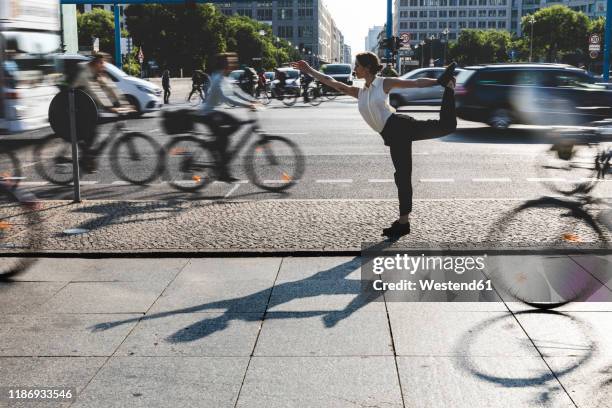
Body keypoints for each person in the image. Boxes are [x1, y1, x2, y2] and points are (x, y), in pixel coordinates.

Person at [292, 52, 457, 238]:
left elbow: (415, 83)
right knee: (402, 176)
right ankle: (403, 223)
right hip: (393, 135)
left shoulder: (383, 83)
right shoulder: (359, 91)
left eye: (357, 66)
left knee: (442, 132)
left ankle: (449, 87)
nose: (354, 69)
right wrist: (309, 70)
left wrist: (438, 82)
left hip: (400, 127)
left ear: (367, 68)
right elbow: (331, 81)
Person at [198, 53, 259, 182]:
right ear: (223, 64)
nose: (231, 64)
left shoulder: (224, 77)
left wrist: (253, 100)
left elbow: (237, 91)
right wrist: (247, 104)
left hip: (215, 111)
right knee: (224, 139)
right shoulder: (217, 78)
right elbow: (226, 98)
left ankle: (218, 153)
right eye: (228, 62)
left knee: (233, 127)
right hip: (208, 113)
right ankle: (221, 168)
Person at [71, 53, 130, 172]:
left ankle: (88, 157)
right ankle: (86, 158)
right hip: (74, 107)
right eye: (102, 63)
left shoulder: (97, 73)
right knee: (92, 129)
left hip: (88, 106)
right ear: (96, 63)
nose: (104, 66)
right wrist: (110, 107)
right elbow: (95, 92)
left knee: (95, 128)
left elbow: (111, 87)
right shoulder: (85, 73)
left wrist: (125, 103)